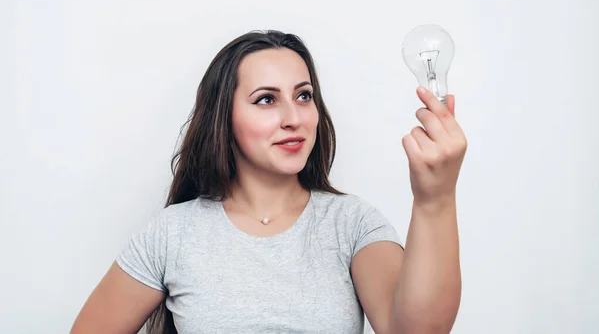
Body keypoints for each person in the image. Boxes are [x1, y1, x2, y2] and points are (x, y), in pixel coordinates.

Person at [71, 30, 467, 334]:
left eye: (303, 96)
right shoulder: (173, 234)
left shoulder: (353, 224)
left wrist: (436, 199)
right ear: (223, 118)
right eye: (266, 99)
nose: (293, 117)